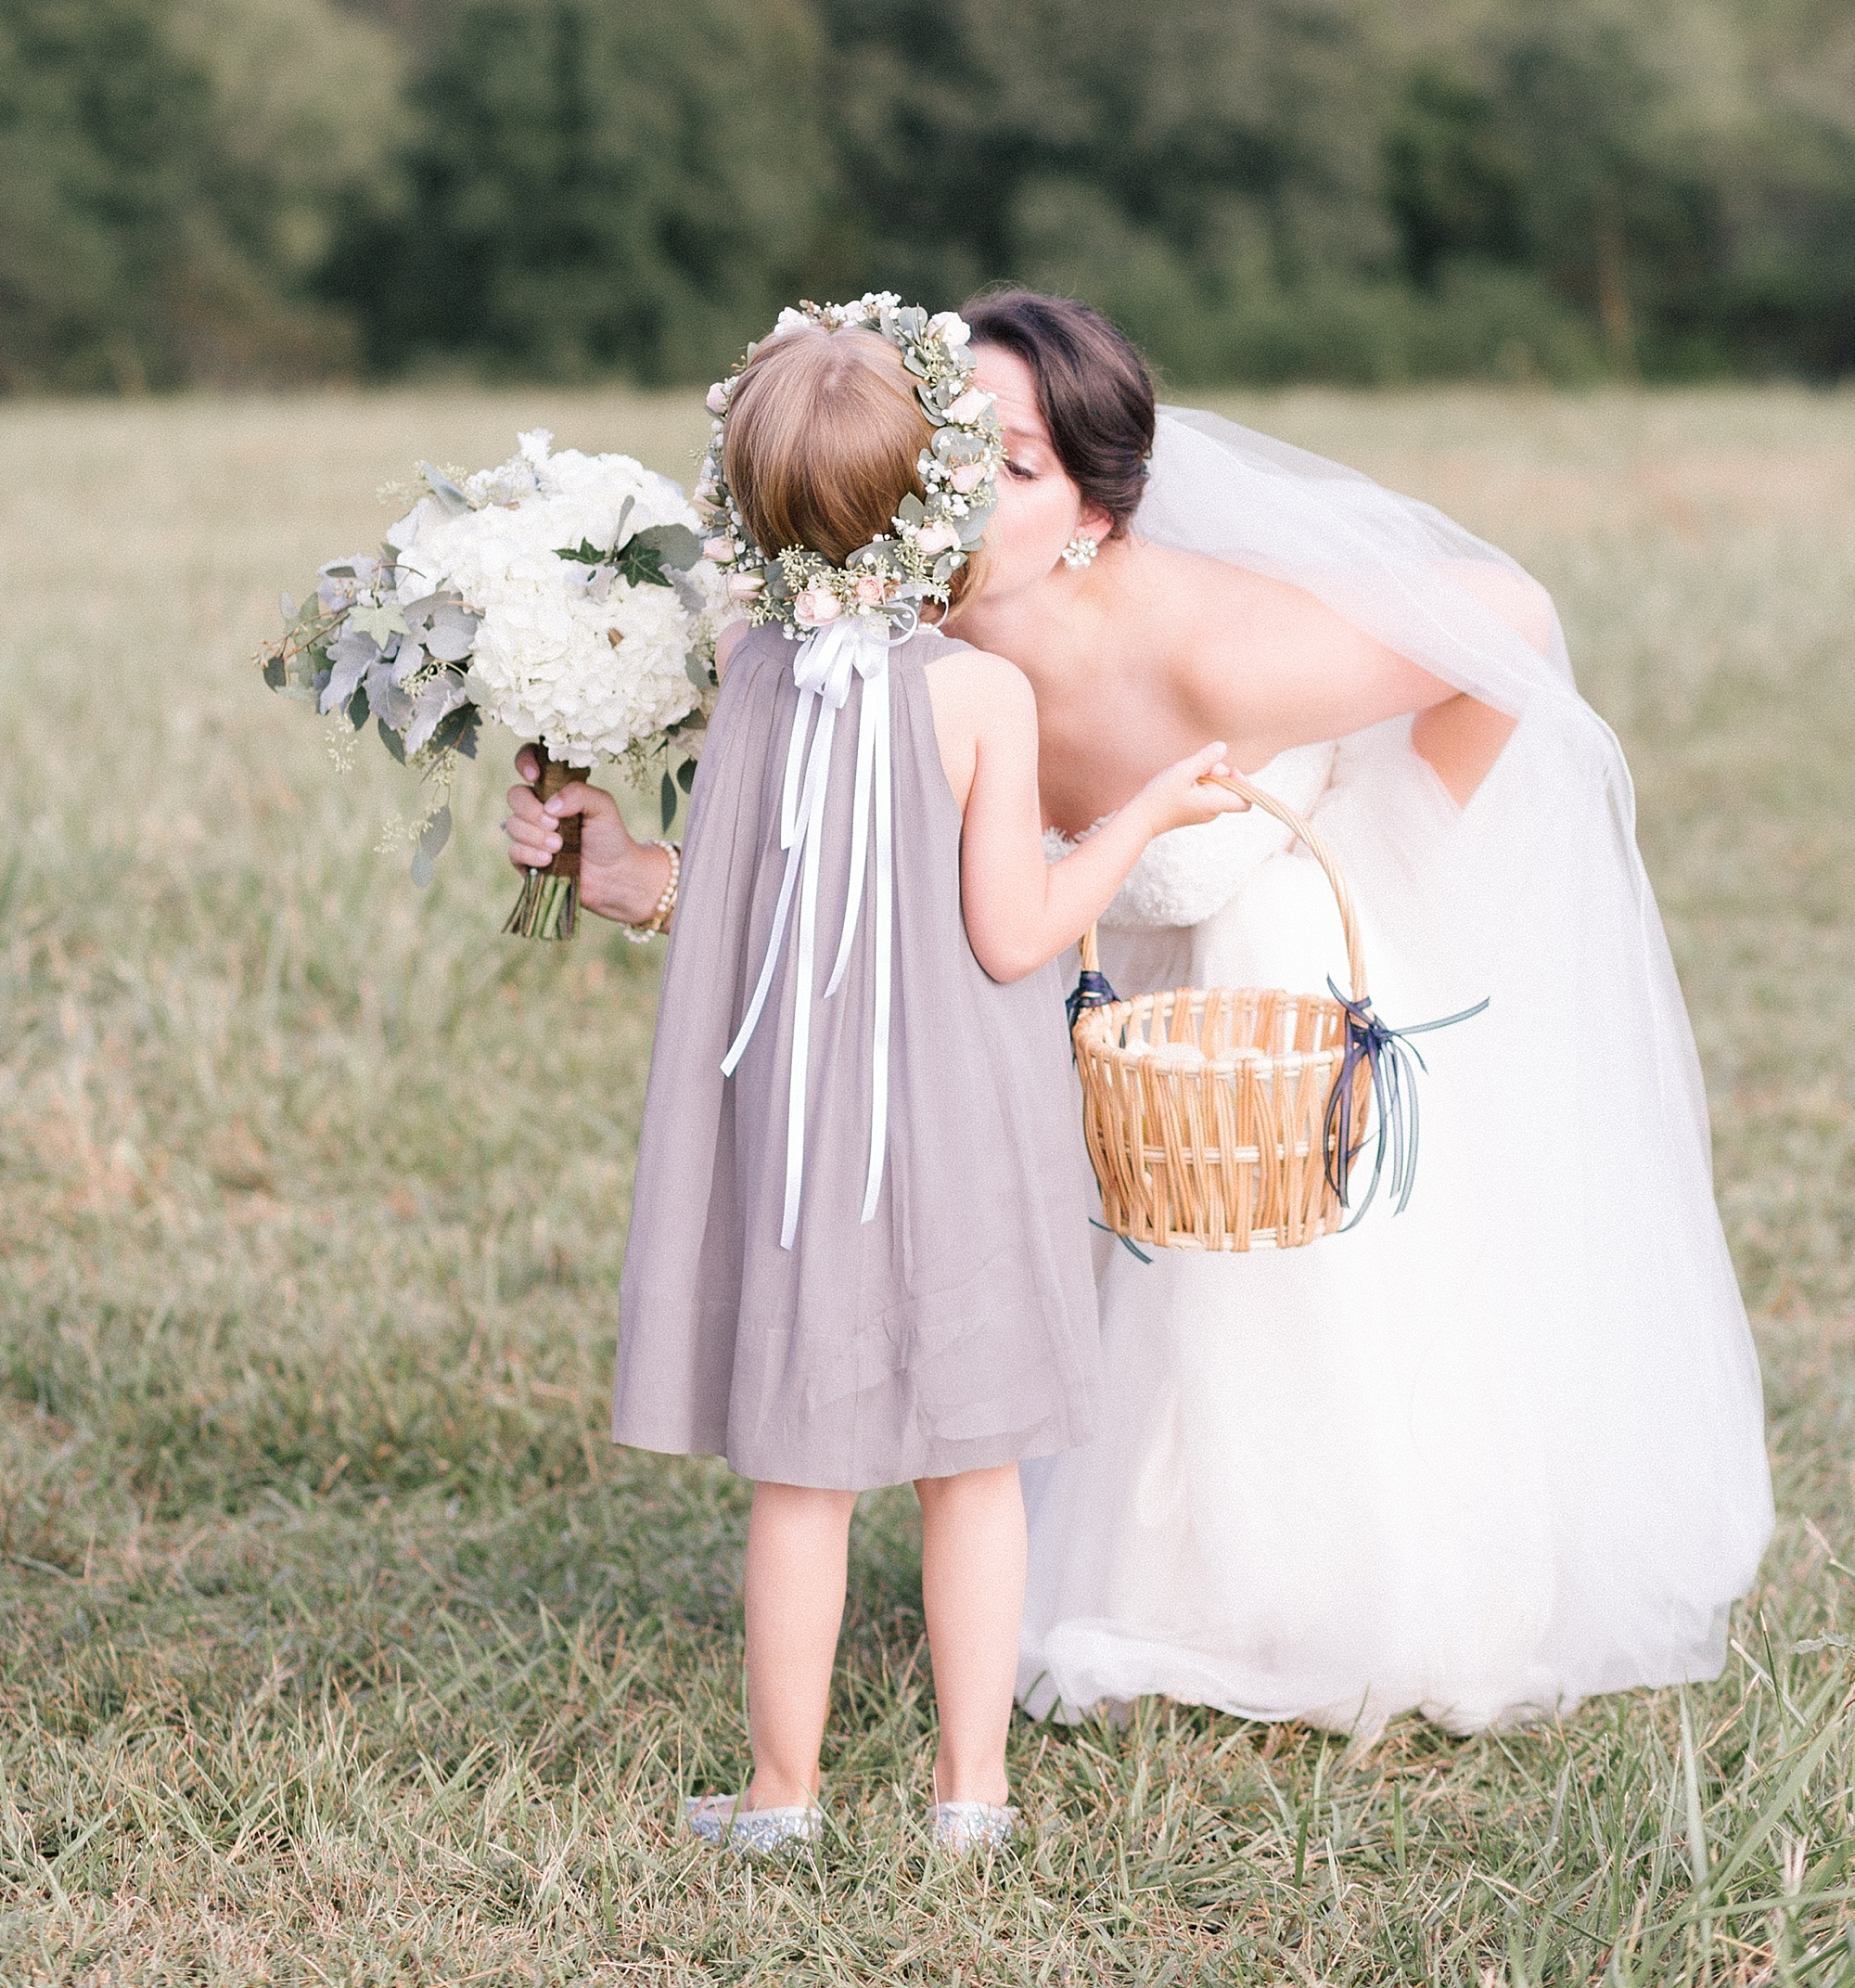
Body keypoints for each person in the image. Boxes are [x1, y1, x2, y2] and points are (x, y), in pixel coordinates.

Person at [509, 290, 1773, 1746]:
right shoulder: (877, 631)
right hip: (1059, 982)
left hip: (1255, 961)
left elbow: (1511, 627)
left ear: (1096, 518)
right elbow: (823, 882)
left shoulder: (1216, 653)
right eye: (945, 447)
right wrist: (622, 869)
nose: (958, 489)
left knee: (1252, 1302)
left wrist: (1404, 857)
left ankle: (1305, 1584)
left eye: (1017, 466)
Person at [506, 297, 1249, 1849]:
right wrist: (1142, 821)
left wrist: (608, 859)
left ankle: (785, 1795)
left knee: (804, 1477)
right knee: (969, 1475)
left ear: (748, 506)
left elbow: (704, 894)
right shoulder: (976, 694)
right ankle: (968, 1797)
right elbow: (1016, 933)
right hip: (967, 1135)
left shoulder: (749, 669)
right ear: (936, 501)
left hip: (795, 1140)